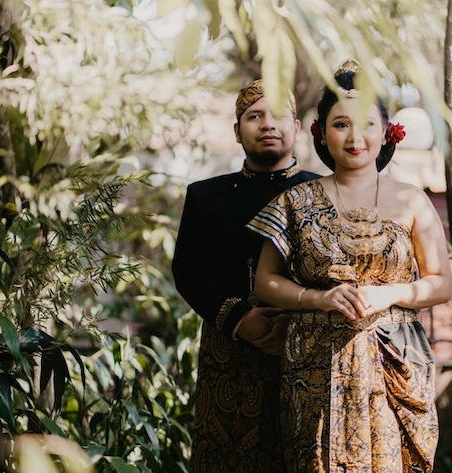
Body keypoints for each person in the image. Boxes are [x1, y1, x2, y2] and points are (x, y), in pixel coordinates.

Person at [246, 60, 452, 473]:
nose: (355, 137)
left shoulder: (412, 200)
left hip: (396, 364)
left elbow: (442, 284)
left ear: (386, 131)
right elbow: (264, 282)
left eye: (366, 124)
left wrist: (389, 294)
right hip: (313, 370)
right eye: (341, 124)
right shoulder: (294, 201)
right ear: (322, 133)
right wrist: (320, 299)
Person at [172, 79, 320, 472]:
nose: (267, 124)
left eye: (278, 116)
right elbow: (188, 270)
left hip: (306, 352)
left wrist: (294, 324)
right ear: (237, 132)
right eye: (255, 117)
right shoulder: (205, 197)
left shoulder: (324, 194)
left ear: (296, 128)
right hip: (229, 354)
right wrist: (239, 319)